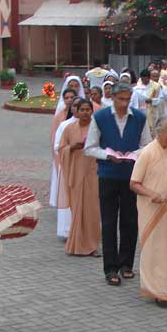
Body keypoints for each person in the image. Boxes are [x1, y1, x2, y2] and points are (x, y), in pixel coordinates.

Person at [84, 83, 152, 285]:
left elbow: (147, 145)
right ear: (112, 98)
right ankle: (111, 268)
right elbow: (89, 147)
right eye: (120, 99)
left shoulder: (139, 117)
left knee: (130, 221)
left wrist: (134, 154)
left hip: (132, 177)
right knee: (109, 222)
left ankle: (126, 264)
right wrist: (108, 155)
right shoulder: (100, 117)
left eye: (127, 99)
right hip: (108, 175)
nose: (124, 103)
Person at [130, 116, 167, 304]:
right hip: (151, 208)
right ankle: (156, 290)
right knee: (154, 249)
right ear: (158, 132)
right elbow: (134, 183)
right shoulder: (147, 153)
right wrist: (151, 194)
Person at [57, 99, 101, 256]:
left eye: (88, 110)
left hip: (93, 173)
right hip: (75, 173)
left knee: (92, 210)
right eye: (82, 109)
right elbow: (61, 149)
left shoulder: (97, 128)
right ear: (76, 111)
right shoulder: (69, 128)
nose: (85, 113)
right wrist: (72, 148)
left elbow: (104, 148)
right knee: (77, 209)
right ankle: (75, 245)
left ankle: (92, 245)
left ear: (92, 111)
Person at [53, 96, 81, 239]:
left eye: (82, 107)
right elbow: (57, 146)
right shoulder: (65, 125)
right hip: (69, 166)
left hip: (87, 169)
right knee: (69, 198)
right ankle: (68, 230)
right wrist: (71, 148)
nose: (78, 109)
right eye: (75, 106)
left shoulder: (93, 125)